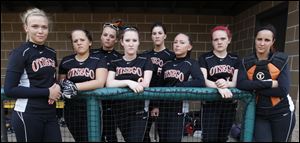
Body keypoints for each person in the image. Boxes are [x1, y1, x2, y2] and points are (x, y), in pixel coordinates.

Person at [3, 8, 62, 142]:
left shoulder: (51, 52)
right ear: (26, 28)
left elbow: (51, 79)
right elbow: (9, 89)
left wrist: (57, 86)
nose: (40, 31)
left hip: (50, 114)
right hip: (28, 114)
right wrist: (47, 92)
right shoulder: (19, 53)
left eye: (44, 27)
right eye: (35, 26)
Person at [237, 24, 295, 142]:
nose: (262, 43)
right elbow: (241, 84)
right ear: (255, 39)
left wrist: (253, 86)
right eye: (259, 39)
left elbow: (282, 91)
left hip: (282, 112)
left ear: (273, 41)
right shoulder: (246, 62)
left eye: (267, 40)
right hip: (260, 114)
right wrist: (269, 83)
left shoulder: (281, 60)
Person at [58, 29, 108, 141]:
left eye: (82, 39)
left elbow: (100, 82)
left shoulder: (98, 59)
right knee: (80, 139)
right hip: (71, 109)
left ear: (89, 42)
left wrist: (75, 87)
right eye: (75, 41)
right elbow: (62, 82)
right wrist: (64, 85)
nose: (79, 42)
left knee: (94, 139)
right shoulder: (66, 61)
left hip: (92, 108)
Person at [106, 26, 153, 142]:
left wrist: (142, 83)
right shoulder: (115, 62)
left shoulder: (145, 60)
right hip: (120, 110)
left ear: (138, 42)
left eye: (134, 40)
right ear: (122, 42)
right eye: (127, 40)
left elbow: (146, 82)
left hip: (139, 109)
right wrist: (129, 82)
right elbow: (109, 83)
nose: (131, 44)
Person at [158, 33, 205, 142]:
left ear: (189, 47)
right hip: (164, 107)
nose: (177, 45)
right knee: (162, 138)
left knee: (173, 139)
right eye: (175, 42)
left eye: (182, 42)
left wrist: (180, 85)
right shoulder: (167, 63)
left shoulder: (192, 63)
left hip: (179, 107)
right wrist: (156, 106)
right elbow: (160, 85)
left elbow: (200, 82)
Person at [198, 26, 240, 142]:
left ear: (229, 40)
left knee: (223, 138)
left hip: (229, 104)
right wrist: (219, 87)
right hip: (210, 104)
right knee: (209, 138)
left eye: (222, 38)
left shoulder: (235, 58)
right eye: (216, 39)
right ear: (212, 41)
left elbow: (235, 82)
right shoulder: (205, 57)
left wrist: (226, 83)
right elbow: (203, 80)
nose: (219, 42)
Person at [142, 22, 175, 142]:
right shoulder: (146, 55)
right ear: (151, 36)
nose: (157, 36)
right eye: (154, 33)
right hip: (146, 98)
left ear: (165, 36)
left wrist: (157, 105)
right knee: (143, 133)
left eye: (160, 33)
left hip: (164, 100)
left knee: (164, 134)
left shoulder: (171, 56)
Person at [91, 20, 123, 142]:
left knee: (110, 135)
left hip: (112, 103)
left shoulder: (119, 58)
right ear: (101, 36)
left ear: (115, 40)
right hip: (93, 100)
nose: (108, 38)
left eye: (111, 36)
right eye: (105, 35)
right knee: (94, 134)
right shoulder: (92, 54)